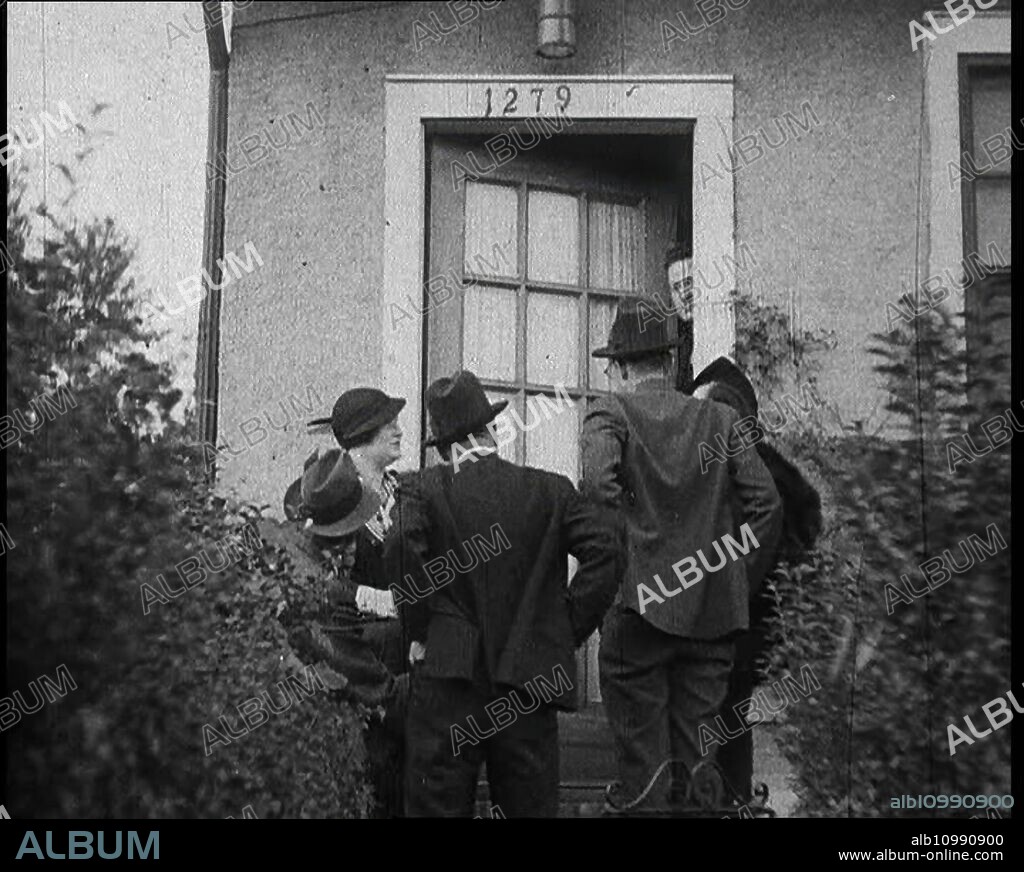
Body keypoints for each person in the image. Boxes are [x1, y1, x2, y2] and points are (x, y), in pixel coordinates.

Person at [581, 298, 783, 813]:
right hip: (711, 622)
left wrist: (620, 574)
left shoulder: (610, 411)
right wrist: (729, 573)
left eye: (612, 367)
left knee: (644, 780)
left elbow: (598, 489)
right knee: (699, 777)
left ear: (623, 367)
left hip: (637, 615)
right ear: (670, 363)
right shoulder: (721, 418)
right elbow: (767, 505)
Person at [396, 370, 623, 818]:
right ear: (492, 432)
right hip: (528, 680)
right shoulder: (550, 491)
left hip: (448, 677)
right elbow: (609, 548)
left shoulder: (421, 489)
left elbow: (402, 549)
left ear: (444, 449)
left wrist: (423, 629)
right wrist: (562, 627)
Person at [689, 356, 822, 803]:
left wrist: (747, 574)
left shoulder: (707, 456)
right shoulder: (770, 464)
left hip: (718, 612)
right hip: (751, 617)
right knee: (731, 717)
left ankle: (713, 803)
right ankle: (732, 803)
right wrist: (773, 571)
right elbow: (807, 517)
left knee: (701, 715)